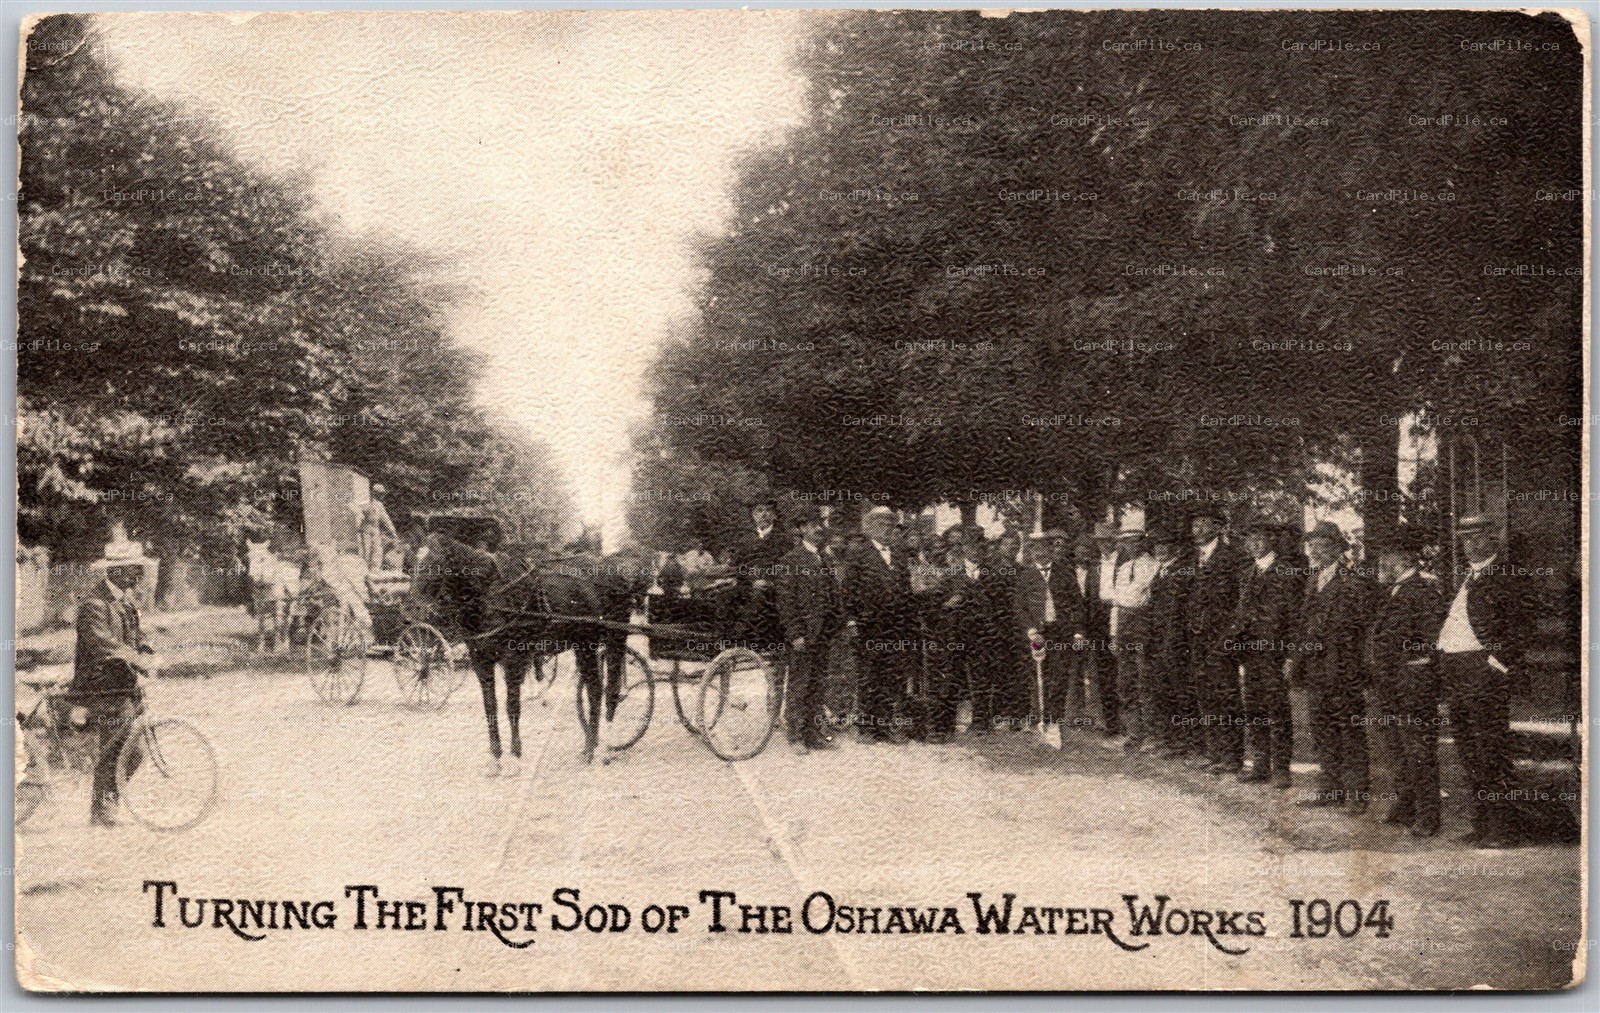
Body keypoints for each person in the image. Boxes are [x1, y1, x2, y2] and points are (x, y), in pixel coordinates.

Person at [1437, 514, 1530, 847]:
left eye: (1478, 537)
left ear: (1494, 538)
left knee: (1491, 749)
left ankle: (1503, 829)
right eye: (1465, 539)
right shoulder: (1465, 578)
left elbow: (1520, 627)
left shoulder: (1507, 576)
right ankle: (1483, 823)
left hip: (1483, 672)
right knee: (1469, 749)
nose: (1470, 545)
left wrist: (1497, 665)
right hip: (1457, 671)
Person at [1287, 521, 1375, 815]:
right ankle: (1331, 789)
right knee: (1322, 728)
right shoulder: (1313, 580)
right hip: (1316, 668)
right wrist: (1294, 658)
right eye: (1313, 546)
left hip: (1344, 667)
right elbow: (1303, 624)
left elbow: (1364, 628)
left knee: (1349, 730)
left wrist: (1359, 668)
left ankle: (1356, 794)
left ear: (1338, 549)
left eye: (1323, 546)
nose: (1316, 551)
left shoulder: (1354, 581)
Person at [72, 537, 159, 826]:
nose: (139, 574)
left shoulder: (125, 601)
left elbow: (137, 637)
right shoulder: (93, 605)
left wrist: (147, 651)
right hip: (99, 686)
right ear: (116, 572)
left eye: (139, 568)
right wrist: (135, 659)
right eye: (133, 569)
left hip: (122, 683)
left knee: (133, 750)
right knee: (120, 746)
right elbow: (104, 645)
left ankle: (109, 799)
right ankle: (102, 808)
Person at [1366, 527, 1446, 837]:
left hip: (1412, 687)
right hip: (1389, 685)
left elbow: (1431, 641)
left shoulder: (1423, 591)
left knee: (1419, 750)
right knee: (1395, 747)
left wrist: (1414, 672)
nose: (1379, 564)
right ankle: (1406, 803)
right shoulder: (1393, 591)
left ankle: (1428, 815)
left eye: (1384, 558)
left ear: (1400, 559)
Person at [1233, 521, 1303, 787]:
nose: (1254, 545)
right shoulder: (1248, 572)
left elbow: (1295, 617)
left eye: (1260, 540)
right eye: (1250, 540)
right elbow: (1241, 613)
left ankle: (1282, 768)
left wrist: (1291, 654)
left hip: (1275, 651)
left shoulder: (1287, 571)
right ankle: (1260, 764)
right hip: (1251, 652)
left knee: (1277, 709)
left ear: (1272, 541)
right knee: (1254, 707)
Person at [775, 508, 844, 753]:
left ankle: (813, 734)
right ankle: (795, 736)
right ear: (802, 528)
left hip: (824, 633)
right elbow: (785, 601)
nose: (819, 528)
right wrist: (795, 634)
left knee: (818, 684)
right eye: (813, 524)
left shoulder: (825, 559)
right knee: (799, 684)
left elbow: (834, 596)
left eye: (821, 524)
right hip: (804, 635)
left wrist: (838, 623)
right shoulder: (791, 560)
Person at [844, 507, 914, 742]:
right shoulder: (858, 555)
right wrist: (852, 621)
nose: (887, 530)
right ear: (871, 528)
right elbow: (848, 592)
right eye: (882, 525)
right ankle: (866, 729)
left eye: (890, 526)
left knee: (892, 676)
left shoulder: (899, 555)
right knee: (869, 676)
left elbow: (906, 591)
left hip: (895, 628)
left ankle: (886, 727)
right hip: (869, 626)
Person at [1188, 505, 1246, 775]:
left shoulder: (1233, 557)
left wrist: (1230, 637)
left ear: (1218, 527)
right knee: (1206, 695)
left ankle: (1233, 756)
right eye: (1194, 525)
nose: (1197, 530)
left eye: (1203, 524)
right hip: (1198, 638)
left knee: (1226, 696)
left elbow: (1240, 602)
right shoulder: (1195, 558)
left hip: (1221, 639)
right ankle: (1215, 753)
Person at [1013, 529, 1086, 732]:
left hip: (1060, 632)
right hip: (1037, 633)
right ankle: (1039, 718)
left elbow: (1077, 604)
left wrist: (1078, 632)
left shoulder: (1065, 573)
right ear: (1031, 552)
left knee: (1059, 676)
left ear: (1051, 550)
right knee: (1038, 676)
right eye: (1036, 549)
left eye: (1044, 549)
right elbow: (1020, 607)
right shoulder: (1025, 576)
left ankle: (1055, 720)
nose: (1040, 554)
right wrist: (1031, 630)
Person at [1110, 522, 1161, 751]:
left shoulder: (1153, 566)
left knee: (1145, 680)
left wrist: (1126, 602)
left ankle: (1152, 734)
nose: (1128, 547)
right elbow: (1117, 602)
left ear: (1142, 543)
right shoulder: (1123, 568)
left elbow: (1136, 596)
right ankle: (1133, 733)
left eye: (1133, 542)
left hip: (1142, 624)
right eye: (1124, 543)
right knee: (1125, 680)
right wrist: (1113, 634)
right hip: (1123, 625)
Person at [1146, 526, 1193, 755]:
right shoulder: (1160, 570)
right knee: (1161, 690)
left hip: (1175, 640)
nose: (1161, 550)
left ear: (1175, 548)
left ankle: (1184, 741)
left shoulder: (1182, 571)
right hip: (1158, 639)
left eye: (1165, 546)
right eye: (1157, 547)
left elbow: (1180, 609)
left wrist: (1173, 639)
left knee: (1180, 691)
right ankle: (1168, 738)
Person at [730, 498, 791, 655]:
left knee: (759, 596)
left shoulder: (784, 540)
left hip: (773, 587)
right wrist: (751, 580)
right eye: (759, 511)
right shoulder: (745, 540)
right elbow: (737, 566)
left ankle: (740, 636)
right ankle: (722, 639)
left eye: (767, 511)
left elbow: (786, 567)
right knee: (724, 596)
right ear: (753, 515)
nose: (763, 514)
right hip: (748, 585)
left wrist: (768, 580)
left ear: (774, 515)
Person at [1083, 521, 1122, 736]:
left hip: (1118, 615)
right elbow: (1090, 597)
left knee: (1123, 671)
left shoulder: (1125, 561)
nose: (1104, 545)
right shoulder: (1094, 565)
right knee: (1103, 672)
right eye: (1100, 541)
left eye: (1108, 541)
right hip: (1098, 621)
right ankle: (1111, 722)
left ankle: (1129, 723)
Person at [358, 484, 399, 573]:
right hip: (366, 529)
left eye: (381, 494)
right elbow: (358, 515)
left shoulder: (379, 505)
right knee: (366, 551)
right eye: (379, 493)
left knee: (377, 550)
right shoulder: (364, 503)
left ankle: (374, 570)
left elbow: (386, 520)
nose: (381, 496)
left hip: (375, 529)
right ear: (373, 493)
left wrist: (393, 532)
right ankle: (365, 571)